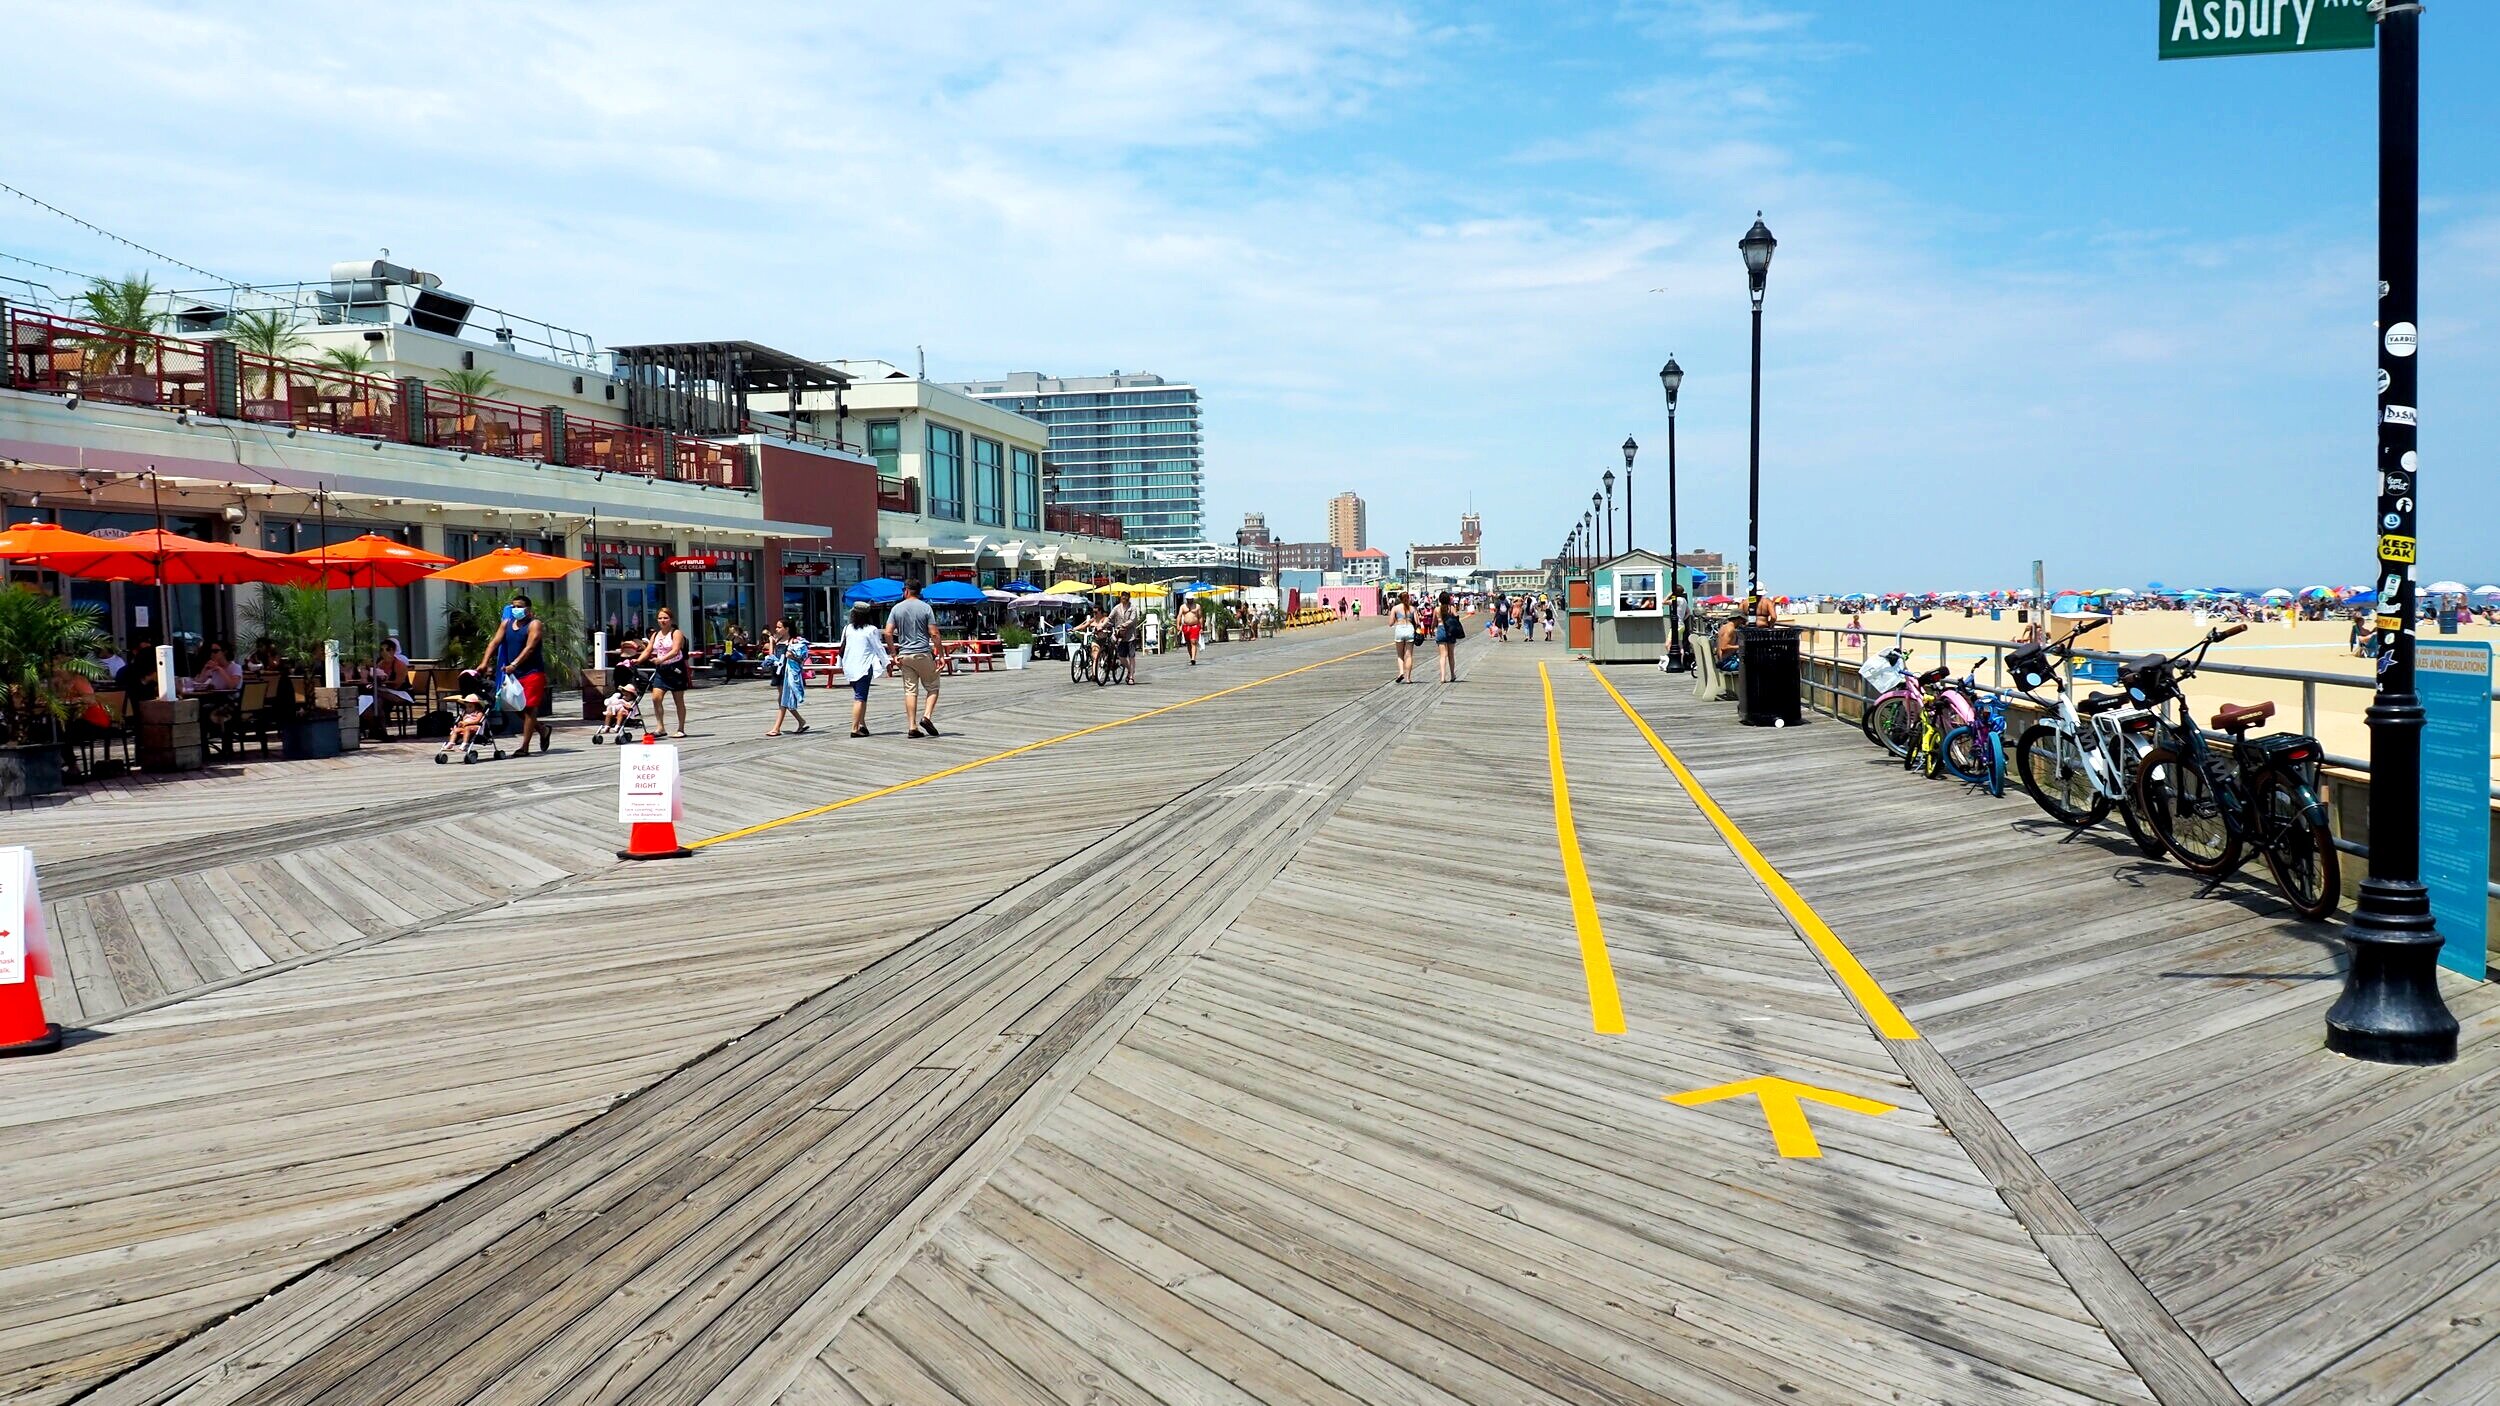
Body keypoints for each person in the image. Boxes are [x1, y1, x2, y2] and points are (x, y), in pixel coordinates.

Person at [474, 591, 553, 755]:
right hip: (512, 674)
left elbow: (530, 647)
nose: (516, 609)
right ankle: (542, 729)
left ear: (528, 610)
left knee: (530, 708)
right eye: (514, 607)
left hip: (532, 672)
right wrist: (484, 662)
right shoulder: (507, 623)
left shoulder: (534, 624)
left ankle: (524, 747)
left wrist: (514, 664)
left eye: (520, 607)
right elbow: (494, 642)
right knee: (514, 707)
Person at [884, 581, 944, 737]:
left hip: (905, 655)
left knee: (910, 691)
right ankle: (927, 716)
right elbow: (934, 634)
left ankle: (912, 726)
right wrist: (942, 655)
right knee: (932, 687)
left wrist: (893, 654)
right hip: (923, 653)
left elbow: (888, 633)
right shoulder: (926, 608)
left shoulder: (896, 608)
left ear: (906, 591)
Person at [639, 605, 691, 738]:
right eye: (660, 618)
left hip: (675, 669)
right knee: (656, 698)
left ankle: (681, 728)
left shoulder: (676, 633)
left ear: (671, 619)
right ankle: (660, 727)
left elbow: (675, 650)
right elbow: (648, 649)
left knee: (678, 700)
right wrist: (638, 660)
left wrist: (661, 659)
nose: (663, 620)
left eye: (665, 618)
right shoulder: (656, 634)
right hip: (661, 670)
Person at [839, 602, 890, 737]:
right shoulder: (871, 629)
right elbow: (878, 648)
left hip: (849, 667)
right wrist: (887, 663)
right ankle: (854, 728)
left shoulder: (847, 628)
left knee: (861, 697)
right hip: (864, 666)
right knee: (860, 698)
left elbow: (842, 647)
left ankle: (862, 725)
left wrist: (840, 664)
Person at [764, 617, 811, 737]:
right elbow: (771, 656)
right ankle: (801, 721)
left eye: (779, 627)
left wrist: (792, 656)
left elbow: (802, 658)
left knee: (783, 699)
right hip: (778, 671)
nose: (776, 629)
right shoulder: (777, 640)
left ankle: (776, 728)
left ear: (787, 629)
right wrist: (771, 642)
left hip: (788, 673)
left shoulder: (794, 641)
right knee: (783, 699)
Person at [1106, 592, 1142, 684]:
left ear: (1129, 597)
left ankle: (1131, 677)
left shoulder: (1132, 608)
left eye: (1126, 596)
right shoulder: (1117, 608)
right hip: (1120, 636)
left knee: (1131, 656)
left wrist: (1123, 625)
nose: (1124, 597)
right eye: (1123, 596)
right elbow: (1109, 618)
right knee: (1121, 657)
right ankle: (1130, 670)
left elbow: (1132, 620)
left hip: (1130, 636)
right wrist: (1103, 625)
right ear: (1120, 597)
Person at [1434, 589, 1463, 683]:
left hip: (1441, 629)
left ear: (1440, 600)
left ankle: (1442, 677)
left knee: (1442, 655)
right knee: (1451, 654)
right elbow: (1457, 618)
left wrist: (1431, 629)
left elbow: (1433, 622)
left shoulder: (1437, 609)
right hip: (1450, 631)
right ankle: (1452, 674)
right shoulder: (1451, 608)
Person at [1388, 592, 1417, 683]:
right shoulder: (1412, 608)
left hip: (1400, 629)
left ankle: (1401, 672)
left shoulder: (1395, 608)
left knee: (1400, 654)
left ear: (1399, 599)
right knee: (1409, 655)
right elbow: (1418, 622)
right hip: (1410, 629)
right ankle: (1408, 678)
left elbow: (1390, 623)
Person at [1177, 598, 1204, 666]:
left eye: (1191, 599)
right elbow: (1179, 616)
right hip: (1186, 627)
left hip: (1195, 626)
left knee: (1193, 641)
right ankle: (1191, 657)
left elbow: (1200, 617)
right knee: (1188, 643)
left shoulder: (1197, 606)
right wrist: (1178, 625)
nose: (1190, 600)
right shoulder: (1183, 606)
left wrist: (1201, 627)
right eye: (1188, 599)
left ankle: (1193, 659)